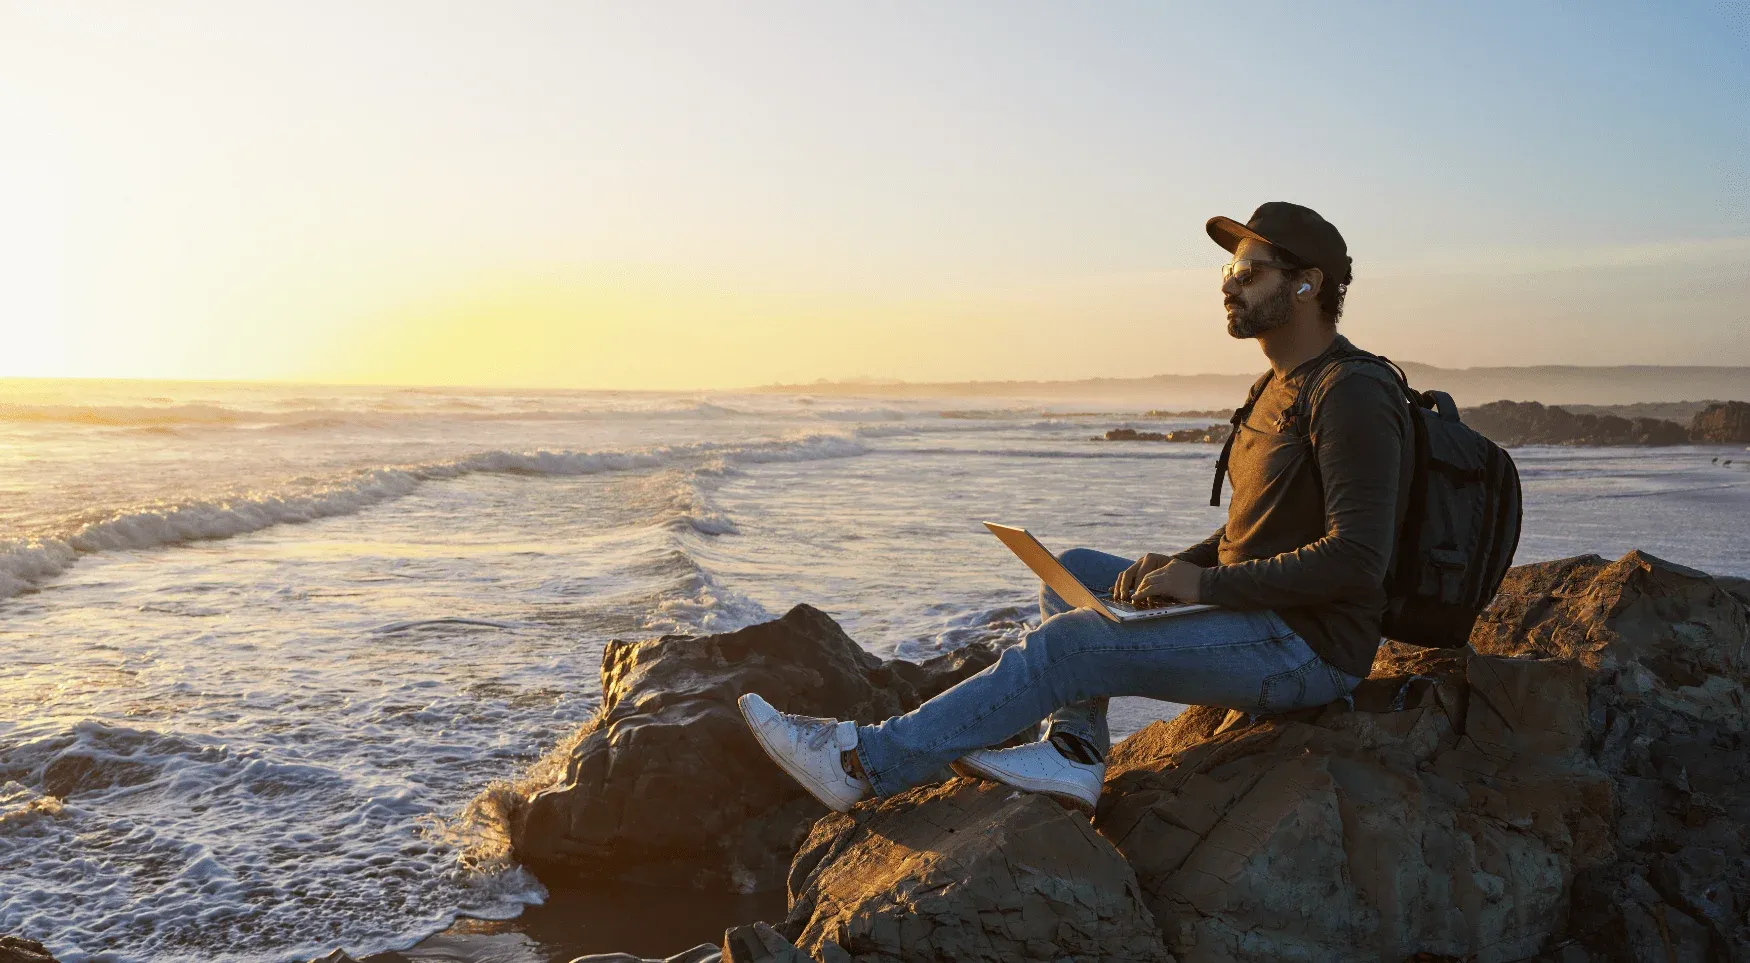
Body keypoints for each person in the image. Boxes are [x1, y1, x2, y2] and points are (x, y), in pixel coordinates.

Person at [739, 202, 1411, 813]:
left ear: (1308, 284)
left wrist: (1203, 585)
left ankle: (861, 760)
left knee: (1071, 647)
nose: (1227, 282)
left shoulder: (1351, 392)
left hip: (1309, 650)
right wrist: (1181, 565)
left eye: (1248, 268)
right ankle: (1075, 751)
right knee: (1075, 572)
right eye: (1229, 269)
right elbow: (1262, 526)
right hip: (1260, 615)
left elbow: (1357, 558)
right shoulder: (1274, 387)